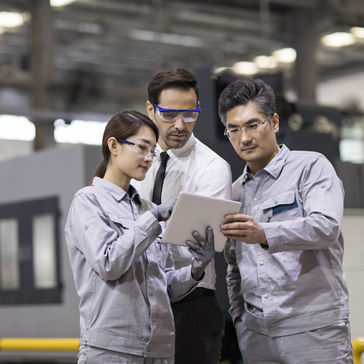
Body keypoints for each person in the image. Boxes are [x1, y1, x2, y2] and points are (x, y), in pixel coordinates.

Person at [64, 109, 215, 364]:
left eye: (153, 152)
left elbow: (162, 284)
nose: (148, 158)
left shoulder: (146, 208)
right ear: (113, 145)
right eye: (143, 148)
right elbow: (109, 264)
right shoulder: (88, 201)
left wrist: (195, 270)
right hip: (112, 351)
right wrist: (154, 218)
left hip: (160, 350)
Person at [218, 78, 352, 363]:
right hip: (256, 335)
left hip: (314, 329)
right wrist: (240, 318)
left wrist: (263, 233)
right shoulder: (235, 192)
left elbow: (326, 227)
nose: (244, 138)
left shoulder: (311, 167)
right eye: (234, 129)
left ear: (275, 122)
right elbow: (234, 264)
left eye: (253, 125)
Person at [133, 68, 232, 364]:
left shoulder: (212, 168)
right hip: (139, 297)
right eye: (169, 115)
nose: (181, 125)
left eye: (190, 115)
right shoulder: (134, 164)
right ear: (150, 109)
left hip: (192, 300)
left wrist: (142, 231)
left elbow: (193, 241)